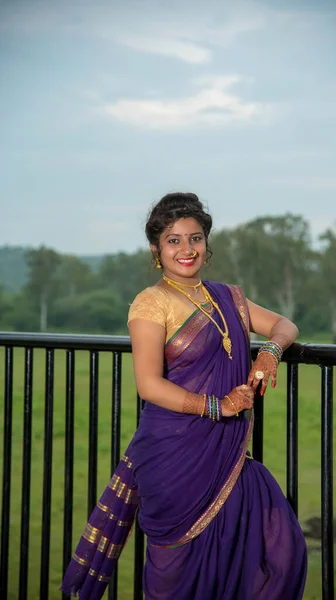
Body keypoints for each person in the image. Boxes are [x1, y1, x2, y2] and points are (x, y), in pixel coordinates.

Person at [61, 192, 307, 599]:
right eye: (174, 240)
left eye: (195, 238)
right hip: (174, 456)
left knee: (281, 547)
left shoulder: (228, 297)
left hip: (226, 458)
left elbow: (284, 324)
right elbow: (149, 384)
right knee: (177, 578)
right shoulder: (151, 303)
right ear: (156, 249)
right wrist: (219, 405)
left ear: (207, 244)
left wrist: (269, 352)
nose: (186, 249)